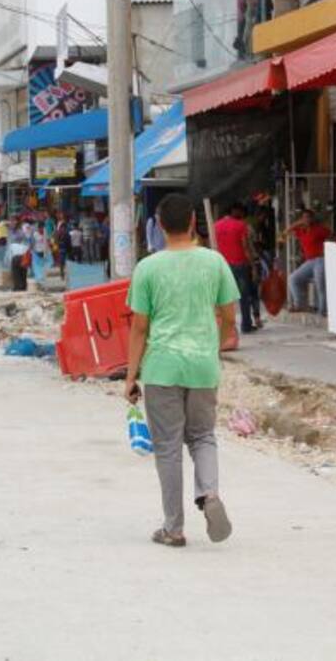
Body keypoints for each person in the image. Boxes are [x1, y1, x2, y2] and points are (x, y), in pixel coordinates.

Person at [124, 193, 240, 548]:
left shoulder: (147, 268)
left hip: (162, 368)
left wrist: (131, 376)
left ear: (159, 226)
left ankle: (173, 528)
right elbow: (229, 318)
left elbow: (140, 328)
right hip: (202, 366)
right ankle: (209, 493)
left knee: (169, 447)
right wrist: (211, 348)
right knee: (203, 437)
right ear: (193, 222)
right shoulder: (215, 262)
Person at [214, 203, 259, 334]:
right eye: (240, 211)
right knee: (244, 295)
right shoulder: (240, 225)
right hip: (240, 264)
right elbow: (245, 246)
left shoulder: (216, 226)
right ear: (234, 210)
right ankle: (246, 325)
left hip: (222, 265)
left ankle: (224, 328)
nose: (242, 214)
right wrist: (253, 265)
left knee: (223, 298)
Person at [284, 209, 331, 315]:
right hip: (309, 261)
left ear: (312, 218)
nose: (306, 219)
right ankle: (299, 305)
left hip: (320, 259)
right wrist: (299, 223)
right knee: (293, 278)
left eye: (308, 217)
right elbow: (286, 231)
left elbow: (331, 234)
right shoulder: (301, 231)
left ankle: (322, 311)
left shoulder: (318, 229)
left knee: (320, 285)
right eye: (304, 217)